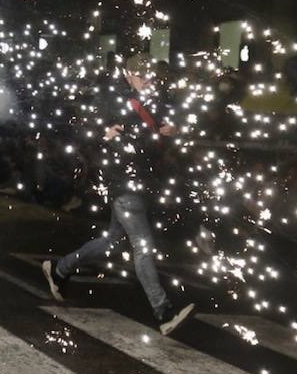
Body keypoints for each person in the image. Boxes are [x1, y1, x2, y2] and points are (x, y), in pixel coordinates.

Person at [41, 53, 195, 335]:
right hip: (123, 184)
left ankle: (59, 269)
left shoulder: (153, 102)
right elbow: (112, 133)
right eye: (140, 75)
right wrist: (151, 134)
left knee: (112, 241)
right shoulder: (119, 102)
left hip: (140, 183)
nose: (147, 80)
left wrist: (171, 130)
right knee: (142, 245)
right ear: (127, 75)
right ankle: (163, 312)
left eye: (149, 75)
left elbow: (155, 133)